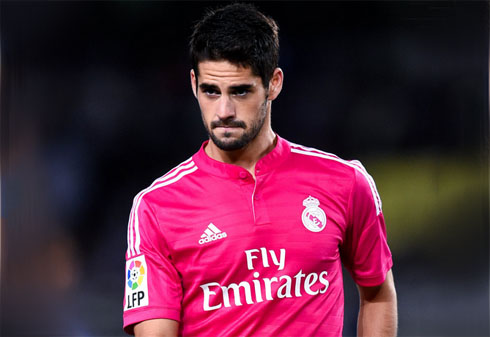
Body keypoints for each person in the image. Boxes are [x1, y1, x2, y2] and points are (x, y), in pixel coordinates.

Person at [123, 3, 397, 336]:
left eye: (240, 91)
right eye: (211, 91)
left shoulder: (346, 182)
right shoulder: (157, 207)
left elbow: (378, 294)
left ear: (274, 83)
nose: (223, 110)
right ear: (194, 84)